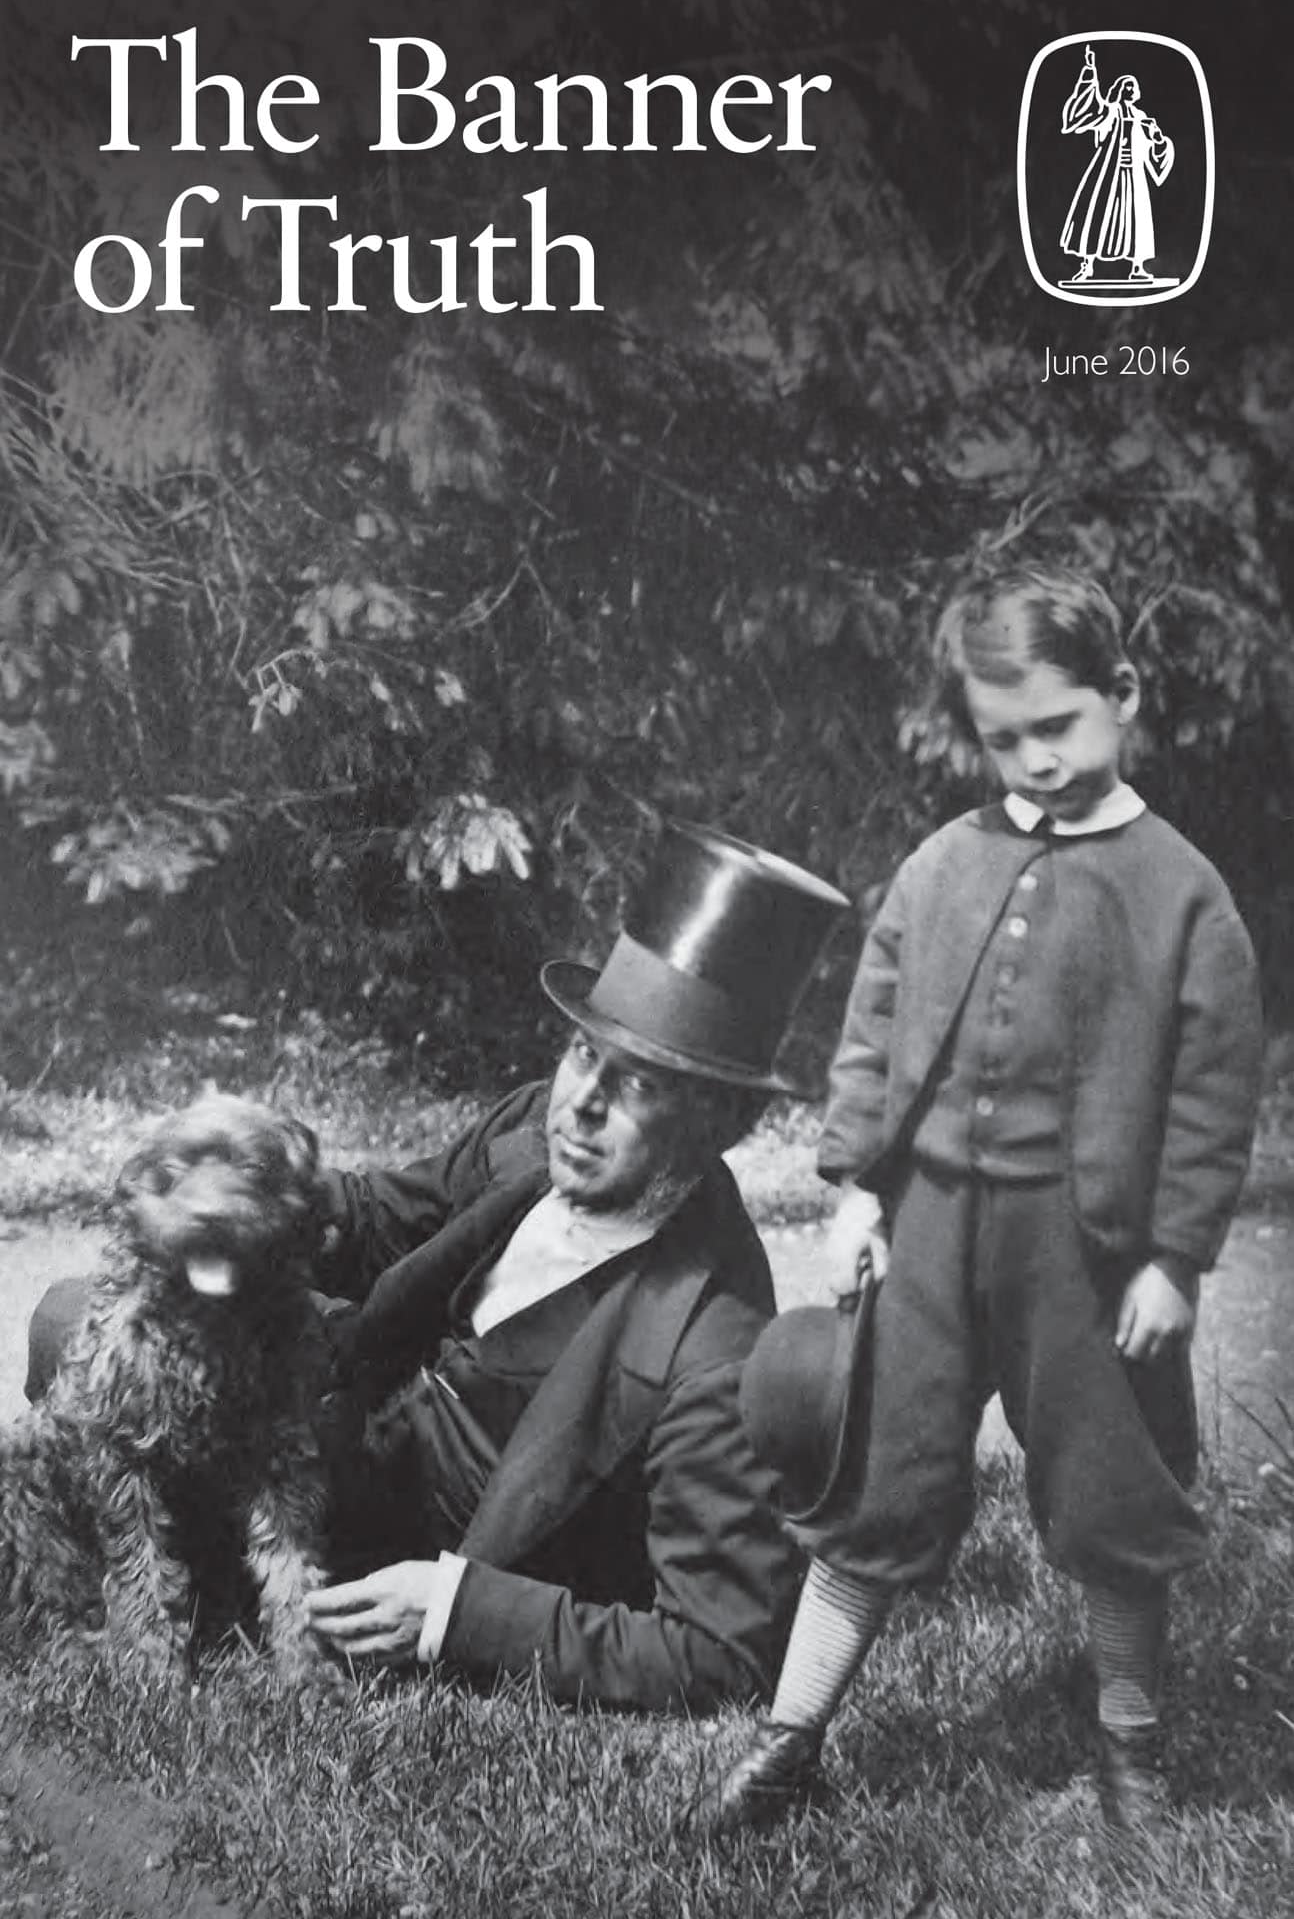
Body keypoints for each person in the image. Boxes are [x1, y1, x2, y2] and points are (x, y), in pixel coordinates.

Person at [707, 568, 1264, 1832]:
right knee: (876, 1472)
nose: (1035, 758)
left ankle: (1130, 1744)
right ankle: (789, 1738)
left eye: (1057, 725)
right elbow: (872, 1027)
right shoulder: (943, 862)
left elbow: (1212, 1094)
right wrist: (856, 1190)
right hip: (930, 1227)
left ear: (1122, 694)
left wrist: (1173, 1257)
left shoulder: (1180, 890)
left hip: (1085, 1249)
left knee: (1114, 1491)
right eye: (1004, 737)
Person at [295, 820, 851, 1712]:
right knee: (80, 1318)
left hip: (407, 1540)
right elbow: (377, 1220)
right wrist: (256, 1185)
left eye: (639, 1084)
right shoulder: (533, 1127)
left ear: (718, 1123)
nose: (581, 1103)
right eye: (585, 1052)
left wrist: (456, 1614)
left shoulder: (714, 1353)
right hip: (330, 1409)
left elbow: (719, 1655)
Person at [1061, 44, 1174, 284]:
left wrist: (1157, 139)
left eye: (1134, 86)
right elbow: (1092, 109)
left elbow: (1156, 150)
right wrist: (1090, 72)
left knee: (1136, 219)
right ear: (1120, 90)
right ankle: (1087, 266)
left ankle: (1138, 267)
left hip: (1134, 175)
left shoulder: (1142, 118)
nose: (1131, 89)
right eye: (1127, 86)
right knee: (1097, 213)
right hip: (1108, 172)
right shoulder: (1111, 111)